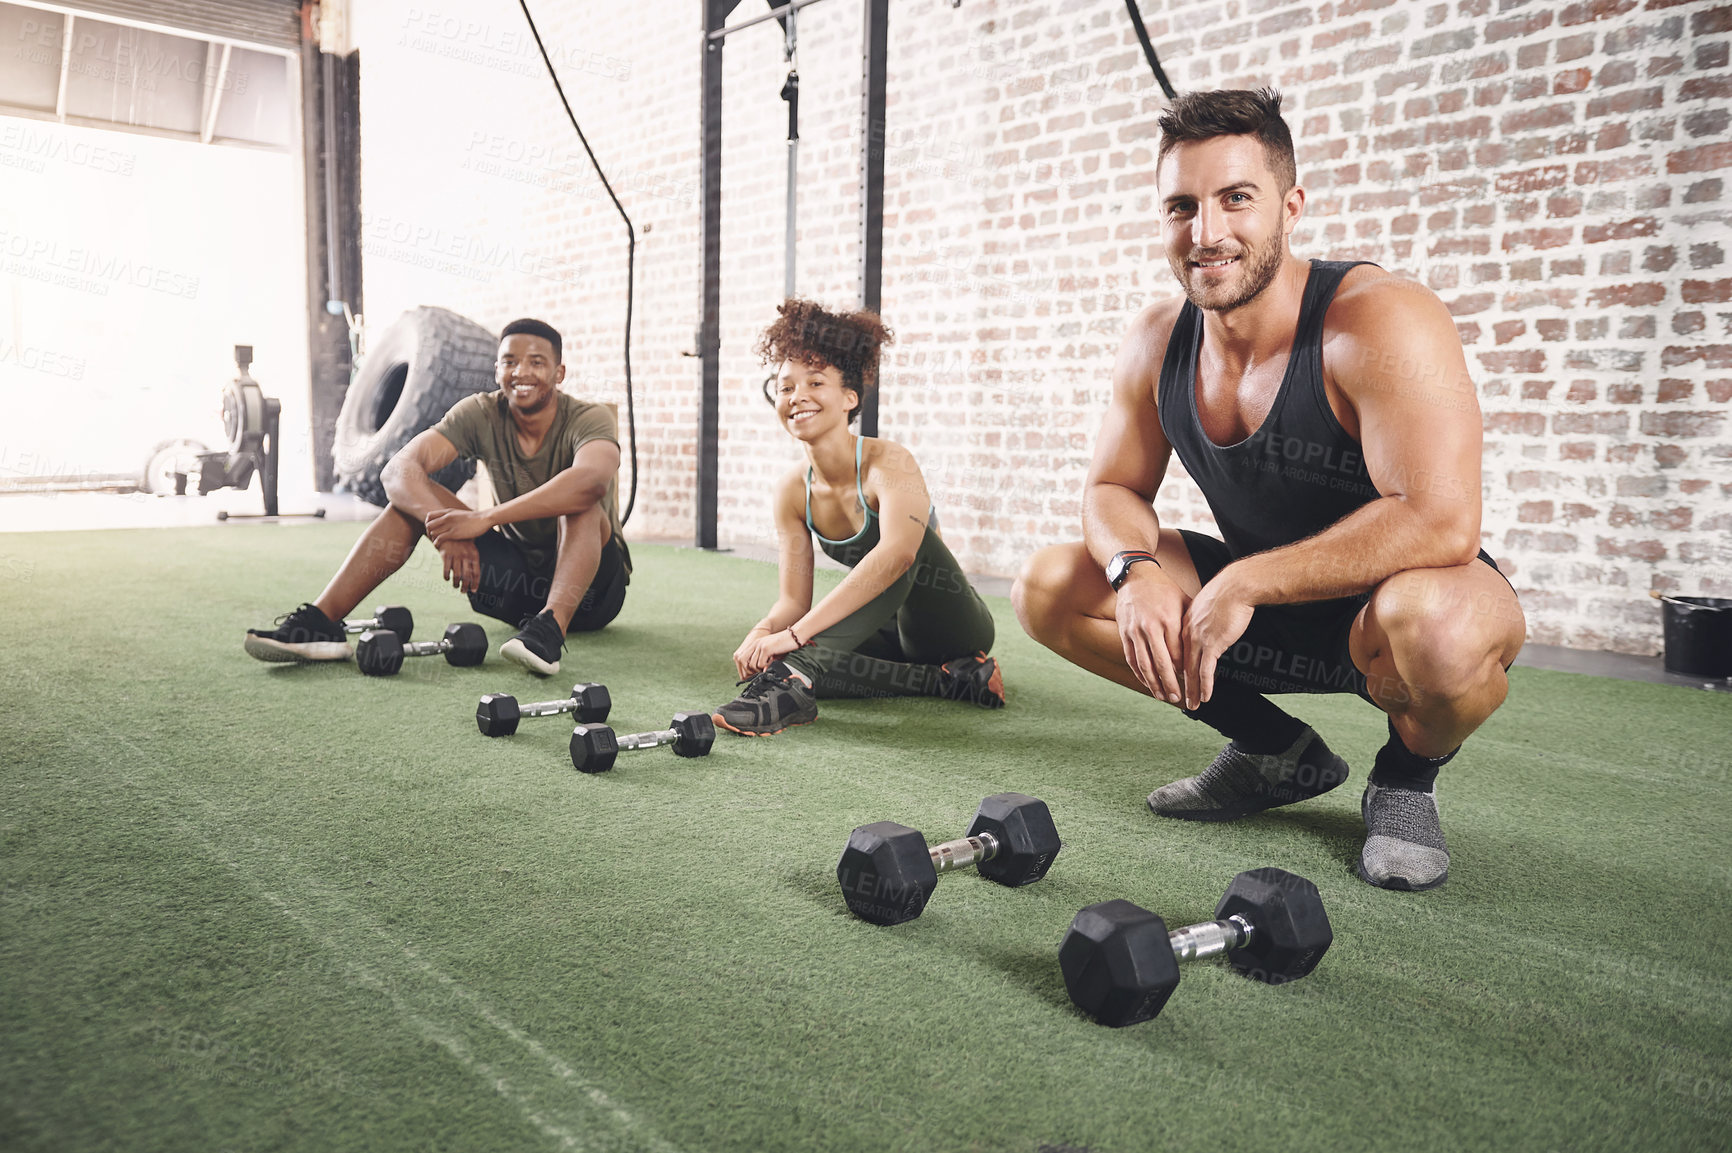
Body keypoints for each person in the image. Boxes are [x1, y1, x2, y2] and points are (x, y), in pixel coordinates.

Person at [1012, 89, 1525, 891]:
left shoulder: (1381, 319)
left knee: (1441, 629)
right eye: (1181, 206)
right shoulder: (1158, 339)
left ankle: (1404, 777)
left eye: (1235, 199)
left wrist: (1247, 579)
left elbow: (1442, 520)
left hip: (1386, 614)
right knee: (1051, 587)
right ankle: (1275, 753)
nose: (1206, 232)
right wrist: (1134, 570)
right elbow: (1112, 487)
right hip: (1255, 613)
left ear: (1290, 206)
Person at [245, 318, 630, 676]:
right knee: (408, 504)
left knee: (581, 507)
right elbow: (397, 470)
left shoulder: (589, 418)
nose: (521, 372)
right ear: (497, 370)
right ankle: (321, 622)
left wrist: (484, 519)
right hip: (516, 588)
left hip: (593, 594)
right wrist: (446, 530)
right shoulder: (480, 412)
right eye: (510, 361)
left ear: (559, 373)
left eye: (536, 362)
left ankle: (550, 631)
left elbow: (591, 482)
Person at [713, 298, 1005, 736]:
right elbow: (793, 603)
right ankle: (954, 681)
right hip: (882, 630)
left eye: (816, 382)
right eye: (786, 386)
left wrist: (795, 642)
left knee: (904, 546)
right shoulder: (793, 490)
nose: (798, 397)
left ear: (850, 398)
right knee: (776, 657)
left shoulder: (890, 461)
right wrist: (763, 633)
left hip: (948, 625)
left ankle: (797, 677)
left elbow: (897, 555)